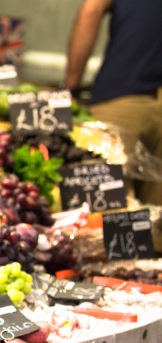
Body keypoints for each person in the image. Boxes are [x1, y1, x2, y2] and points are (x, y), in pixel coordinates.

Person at [65, 0, 162, 204]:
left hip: (123, 96)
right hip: (136, 93)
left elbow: (91, 10)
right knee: (156, 221)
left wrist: (70, 88)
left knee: (103, 210)